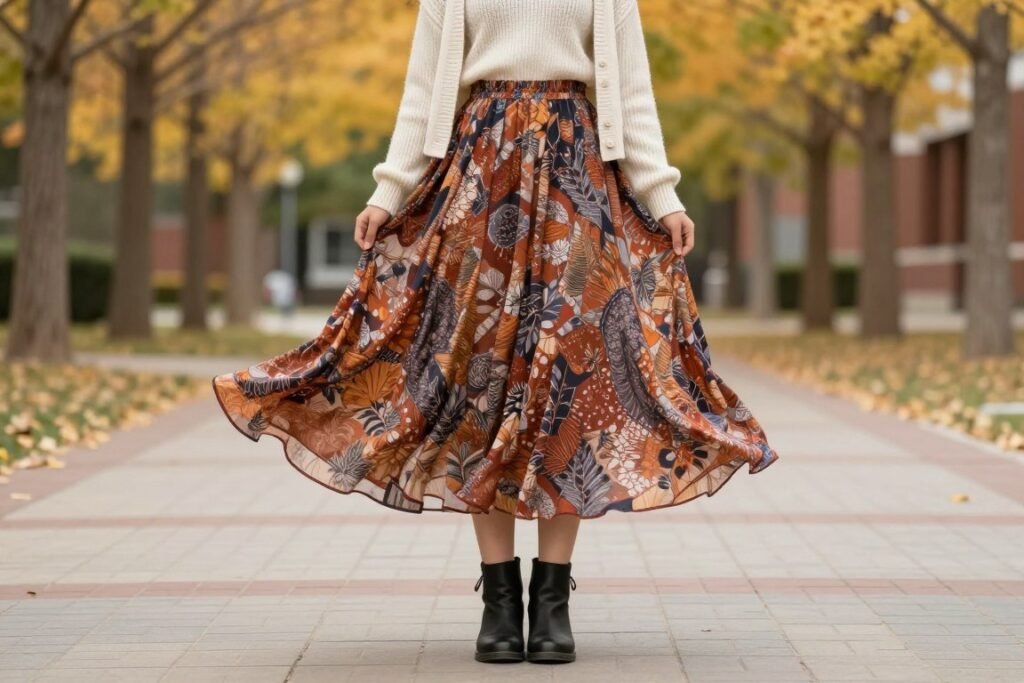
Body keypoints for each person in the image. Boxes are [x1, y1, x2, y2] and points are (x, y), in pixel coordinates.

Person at [212, 0, 779, 666]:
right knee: (480, 384)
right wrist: (387, 193)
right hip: (483, 176)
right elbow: (425, 92)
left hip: (579, 177)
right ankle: (500, 600)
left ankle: (552, 600)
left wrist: (664, 195)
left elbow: (631, 92)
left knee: (573, 384)